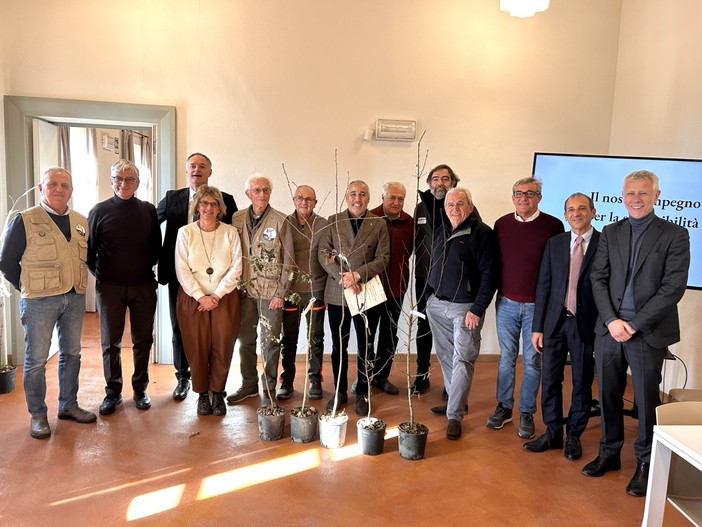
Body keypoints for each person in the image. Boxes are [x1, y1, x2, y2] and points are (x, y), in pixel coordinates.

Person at [582, 170, 690, 497]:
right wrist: (613, 321)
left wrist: (635, 324)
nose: (636, 199)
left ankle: (645, 461)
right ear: (622, 196)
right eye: (630, 193)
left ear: (657, 196)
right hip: (610, 329)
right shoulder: (611, 232)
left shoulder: (675, 234)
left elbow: (673, 288)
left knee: (645, 400)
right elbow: (597, 279)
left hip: (648, 332)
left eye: (643, 193)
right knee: (610, 394)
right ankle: (610, 452)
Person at [0, 167, 96, 439]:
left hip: (74, 298)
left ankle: (68, 405)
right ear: (41, 188)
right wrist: (28, 287)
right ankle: (38, 415)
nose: (59, 189)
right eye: (52, 183)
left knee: (72, 353)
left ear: (71, 190)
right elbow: (7, 262)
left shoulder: (81, 221)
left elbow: (88, 258)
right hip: (39, 301)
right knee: (36, 360)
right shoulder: (25, 219)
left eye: (65, 184)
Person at [156, 153, 237, 401]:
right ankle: (183, 377)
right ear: (186, 169)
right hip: (180, 277)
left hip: (219, 285)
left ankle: (215, 386)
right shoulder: (173, 198)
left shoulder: (226, 200)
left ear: (210, 171)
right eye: (192, 166)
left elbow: (234, 234)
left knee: (219, 337)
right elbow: (151, 225)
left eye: (202, 166)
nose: (197, 170)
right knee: (181, 330)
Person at [525, 193, 600, 460]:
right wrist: (537, 327)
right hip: (554, 323)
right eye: (571, 209)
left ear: (593, 212)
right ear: (565, 215)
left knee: (581, 383)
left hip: (586, 325)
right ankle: (553, 432)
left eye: (582, 208)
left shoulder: (605, 244)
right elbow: (543, 286)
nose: (576, 213)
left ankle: (575, 436)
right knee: (550, 380)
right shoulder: (555, 244)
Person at [488, 177, 564, 439]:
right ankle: (504, 407)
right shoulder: (501, 224)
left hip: (536, 307)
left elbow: (557, 269)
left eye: (530, 194)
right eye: (518, 193)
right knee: (506, 359)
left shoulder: (554, 226)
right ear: (512, 197)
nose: (524, 198)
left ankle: (527, 412)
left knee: (532, 361)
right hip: (506, 303)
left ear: (539, 197)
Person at [87, 160, 161, 415]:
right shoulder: (98, 211)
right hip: (110, 288)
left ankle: (140, 389)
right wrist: (106, 276)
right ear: (111, 181)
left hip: (142, 285)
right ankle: (113, 392)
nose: (124, 183)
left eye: (130, 179)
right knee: (111, 343)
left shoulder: (148, 210)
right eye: (118, 178)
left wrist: (139, 269)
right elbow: (90, 252)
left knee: (143, 340)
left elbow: (156, 248)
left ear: (138, 183)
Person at [426, 187, 498, 440]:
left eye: (460, 204)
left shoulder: (482, 234)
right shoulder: (442, 229)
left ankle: (454, 415)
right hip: (437, 305)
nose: (454, 209)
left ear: (470, 206)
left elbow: (490, 274)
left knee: (463, 359)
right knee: (446, 356)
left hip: (464, 307)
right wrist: (429, 297)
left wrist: (477, 309)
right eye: (450, 205)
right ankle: (457, 400)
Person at [319, 180, 390, 416]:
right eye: (352, 194)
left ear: (369, 199)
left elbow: (383, 257)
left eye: (362, 194)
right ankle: (339, 391)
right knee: (338, 345)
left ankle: (363, 390)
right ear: (346, 197)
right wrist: (344, 277)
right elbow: (324, 254)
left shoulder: (378, 223)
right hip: (338, 291)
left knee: (365, 344)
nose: (357, 198)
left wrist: (358, 275)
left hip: (365, 291)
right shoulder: (333, 220)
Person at [175, 186, 243, 416]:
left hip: (224, 298)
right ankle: (203, 394)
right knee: (197, 347)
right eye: (204, 203)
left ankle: (218, 393)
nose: (209, 208)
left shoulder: (230, 233)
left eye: (214, 204)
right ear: (197, 206)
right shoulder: (185, 233)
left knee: (223, 346)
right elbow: (182, 269)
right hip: (193, 299)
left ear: (220, 208)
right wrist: (200, 296)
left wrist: (216, 295)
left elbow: (237, 267)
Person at [227, 174, 293, 405]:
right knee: (245, 341)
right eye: (256, 190)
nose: (262, 194)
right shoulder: (236, 218)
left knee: (270, 342)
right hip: (244, 292)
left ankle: (269, 388)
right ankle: (248, 384)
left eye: (266, 190)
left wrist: (280, 294)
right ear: (248, 193)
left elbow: (289, 261)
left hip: (270, 293)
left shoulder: (281, 220)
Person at [278, 185, 328, 401]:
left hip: (316, 288)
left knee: (315, 337)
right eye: (300, 198)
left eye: (309, 199)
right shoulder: (284, 223)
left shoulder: (324, 225)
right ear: (294, 200)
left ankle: (314, 379)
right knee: (288, 338)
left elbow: (329, 256)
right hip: (291, 291)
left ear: (315, 202)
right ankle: (287, 380)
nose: (304, 202)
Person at [368, 181, 413, 396]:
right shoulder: (370, 218)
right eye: (392, 197)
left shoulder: (409, 223)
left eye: (401, 198)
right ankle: (364, 375)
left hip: (397, 288)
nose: (396, 202)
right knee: (367, 333)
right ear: (382, 197)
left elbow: (410, 251)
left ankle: (381, 376)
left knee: (389, 334)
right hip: (370, 288)